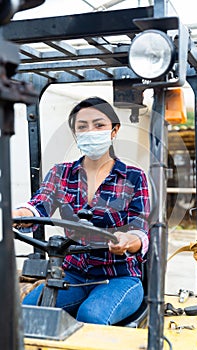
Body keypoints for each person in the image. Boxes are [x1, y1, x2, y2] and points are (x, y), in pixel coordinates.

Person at [13, 96, 150, 325]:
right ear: (75, 133)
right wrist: (18, 216)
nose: (90, 132)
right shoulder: (61, 174)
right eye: (82, 127)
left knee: (91, 316)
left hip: (118, 277)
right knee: (26, 314)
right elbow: (38, 205)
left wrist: (127, 240)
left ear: (114, 130)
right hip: (72, 274)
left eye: (99, 125)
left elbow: (140, 230)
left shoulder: (134, 177)